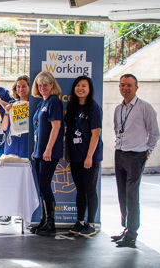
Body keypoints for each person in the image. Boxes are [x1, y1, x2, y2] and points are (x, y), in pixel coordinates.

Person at [112, 74, 159, 248]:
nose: (125, 88)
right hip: (120, 154)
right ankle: (125, 229)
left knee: (132, 195)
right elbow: (117, 129)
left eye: (129, 85)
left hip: (136, 156)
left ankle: (132, 234)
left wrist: (147, 152)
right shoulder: (119, 108)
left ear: (136, 88)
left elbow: (154, 134)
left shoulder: (145, 108)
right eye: (122, 85)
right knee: (122, 194)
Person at [64, 76, 103, 237]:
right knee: (80, 190)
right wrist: (68, 153)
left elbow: (96, 134)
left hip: (89, 158)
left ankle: (91, 224)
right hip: (75, 156)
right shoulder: (72, 107)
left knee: (90, 189)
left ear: (89, 89)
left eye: (84, 86)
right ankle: (80, 222)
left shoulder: (94, 107)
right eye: (78, 86)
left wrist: (89, 157)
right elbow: (69, 132)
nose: (80, 88)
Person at [30, 71, 64, 236]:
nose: (42, 87)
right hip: (39, 152)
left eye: (46, 84)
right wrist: (36, 150)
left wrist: (48, 149)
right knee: (41, 187)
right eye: (39, 85)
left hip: (49, 152)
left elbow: (56, 127)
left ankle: (51, 224)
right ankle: (43, 221)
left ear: (52, 85)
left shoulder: (54, 102)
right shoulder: (40, 103)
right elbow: (39, 129)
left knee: (45, 185)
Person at [0, 75, 30, 225]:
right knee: (9, 181)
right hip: (12, 145)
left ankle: (21, 212)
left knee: (24, 181)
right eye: (18, 86)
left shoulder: (34, 105)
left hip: (26, 145)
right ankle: (7, 213)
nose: (20, 89)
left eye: (23, 86)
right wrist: (7, 112)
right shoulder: (11, 104)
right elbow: (4, 127)